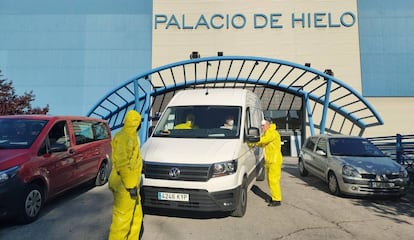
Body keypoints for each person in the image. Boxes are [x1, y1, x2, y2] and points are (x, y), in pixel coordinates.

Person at [108, 110, 144, 240]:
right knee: (122, 221)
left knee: (136, 216)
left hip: (131, 184)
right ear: (136, 123)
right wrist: (130, 185)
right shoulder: (125, 138)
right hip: (125, 186)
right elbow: (122, 164)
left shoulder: (130, 136)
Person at [255, 119, 283, 207]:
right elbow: (262, 143)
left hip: (274, 161)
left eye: (263, 126)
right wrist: (253, 144)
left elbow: (264, 140)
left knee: (274, 181)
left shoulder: (273, 133)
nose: (262, 127)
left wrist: (252, 140)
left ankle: (277, 200)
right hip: (270, 161)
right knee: (270, 181)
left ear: (268, 125)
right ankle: (274, 197)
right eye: (261, 126)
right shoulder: (267, 133)